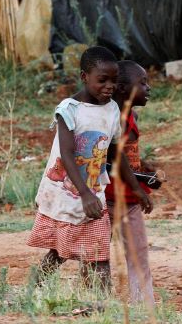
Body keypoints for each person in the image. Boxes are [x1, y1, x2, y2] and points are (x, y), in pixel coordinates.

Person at [27, 46, 152, 288]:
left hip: (94, 192)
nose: (109, 87)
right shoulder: (69, 110)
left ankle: (100, 305)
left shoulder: (112, 110)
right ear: (85, 77)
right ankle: (34, 285)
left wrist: (137, 188)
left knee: (98, 254)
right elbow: (67, 153)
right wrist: (83, 193)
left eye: (113, 81)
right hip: (65, 192)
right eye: (102, 80)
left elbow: (116, 152)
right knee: (61, 249)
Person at [105, 60, 158, 305]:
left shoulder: (132, 116)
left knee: (138, 254)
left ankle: (144, 305)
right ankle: (96, 300)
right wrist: (139, 188)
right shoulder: (111, 119)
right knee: (97, 255)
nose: (149, 88)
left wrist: (146, 171)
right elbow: (114, 156)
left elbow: (129, 156)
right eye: (143, 83)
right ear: (123, 89)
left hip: (130, 200)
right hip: (106, 199)